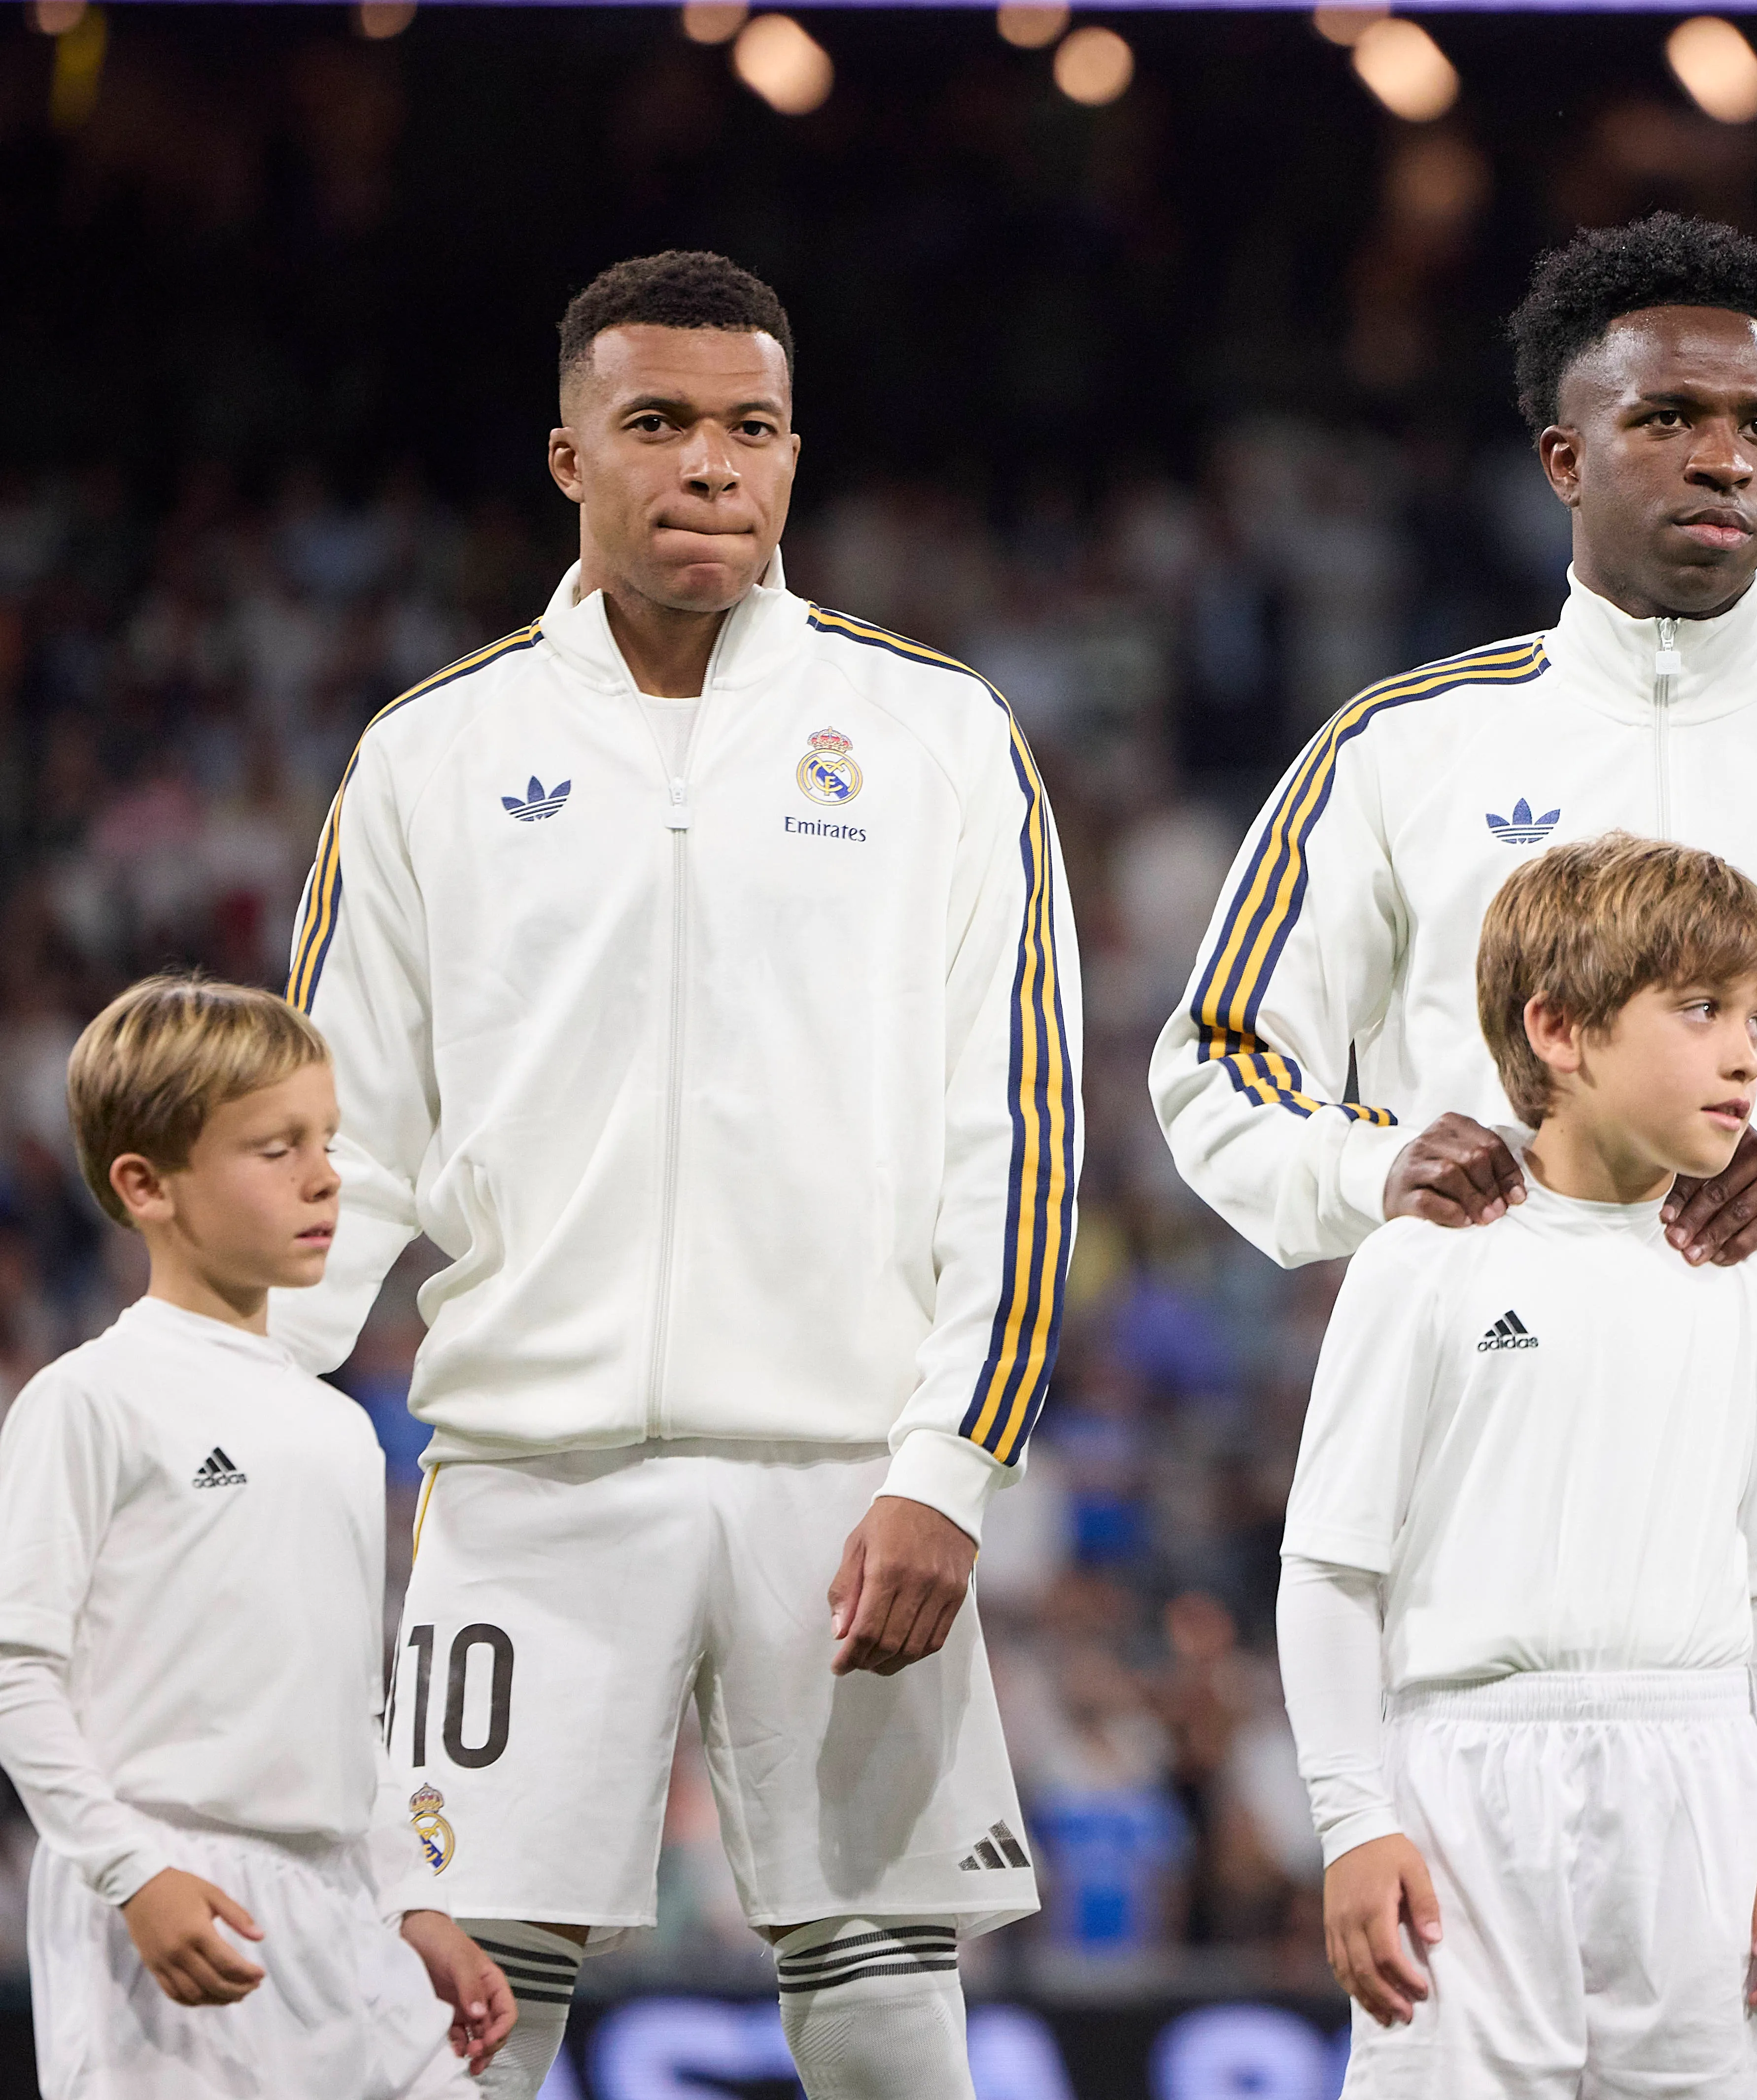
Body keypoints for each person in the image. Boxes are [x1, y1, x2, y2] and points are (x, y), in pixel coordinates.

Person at [1154, 211, 1757, 2100]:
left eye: (1755, 421)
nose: (1724, 454)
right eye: (1667, 415)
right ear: (1562, 456)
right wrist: (1377, 1167)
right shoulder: (1402, 749)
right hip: (1497, 1568)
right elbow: (1218, 1058)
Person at [275, 251, 1080, 2100]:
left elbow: (1020, 1138)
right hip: (527, 1475)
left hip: (845, 1470)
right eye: (658, 425)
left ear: (794, 456)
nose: (710, 466)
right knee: (466, 1995)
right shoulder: (431, 753)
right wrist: (238, 1405)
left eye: (750, 429)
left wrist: (951, 1466)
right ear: (567, 456)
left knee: (884, 1991)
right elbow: (332, 1136)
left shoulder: (940, 736)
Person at [1278, 832, 1757, 2096]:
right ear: (1560, 1029)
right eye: (1701, 1009)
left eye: (1756, 1016)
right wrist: (1353, 1819)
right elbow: (1329, 1573)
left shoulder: (1756, 1283)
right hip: (1465, 1786)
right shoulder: (1423, 1265)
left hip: (1701, 1785)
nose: (1746, 1051)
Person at [0, 976, 514, 2098]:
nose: (326, 1176)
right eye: (275, 1148)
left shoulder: (336, 1428)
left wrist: (413, 1902)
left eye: (326, 1140)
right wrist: (136, 1874)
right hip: (176, 1907)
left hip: (342, 1913)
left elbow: (352, 1712)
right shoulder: (90, 1400)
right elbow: (14, 1675)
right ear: (147, 1184)